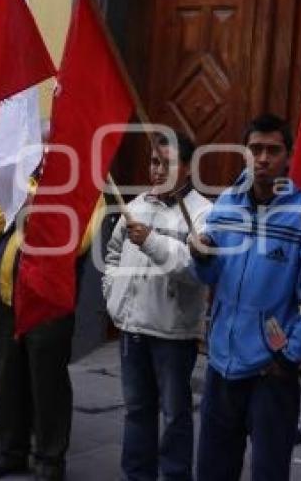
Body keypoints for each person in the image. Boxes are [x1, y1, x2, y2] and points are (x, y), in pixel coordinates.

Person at [189, 114, 301, 480]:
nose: (263, 158)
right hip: (221, 364)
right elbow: (211, 275)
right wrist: (201, 257)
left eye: (273, 150)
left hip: (271, 371)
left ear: (289, 156)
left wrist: (289, 355)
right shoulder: (225, 206)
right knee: (214, 470)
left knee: (269, 471)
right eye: (255, 149)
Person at [0, 176, 103, 481]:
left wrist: (36, 214)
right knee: (8, 374)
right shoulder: (23, 182)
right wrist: (16, 209)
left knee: (48, 382)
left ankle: (49, 460)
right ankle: (11, 451)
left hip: (48, 302)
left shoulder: (87, 189)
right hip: (9, 296)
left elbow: (80, 239)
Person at [103, 133, 211, 480]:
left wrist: (150, 240)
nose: (157, 170)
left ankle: (176, 475)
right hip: (132, 330)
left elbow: (195, 271)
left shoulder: (204, 214)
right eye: (153, 162)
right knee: (136, 412)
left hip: (172, 335)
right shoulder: (135, 206)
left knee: (175, 414)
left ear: (188, 168)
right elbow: (113, 254)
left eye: (166, 163)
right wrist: (113, 298)